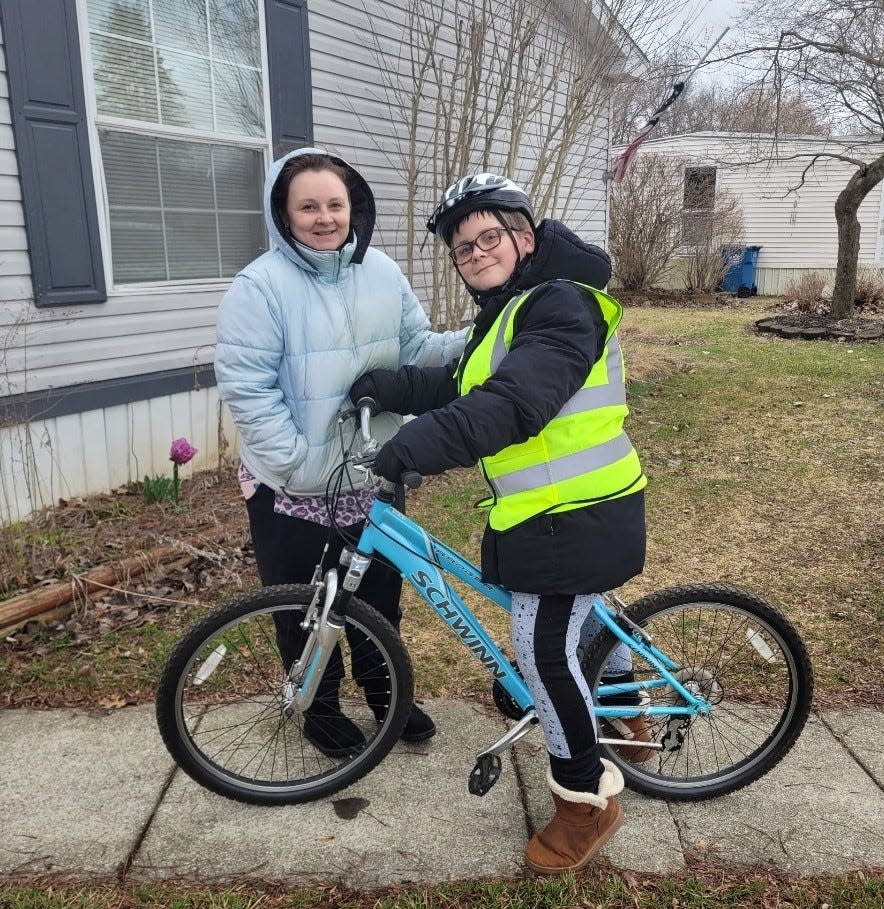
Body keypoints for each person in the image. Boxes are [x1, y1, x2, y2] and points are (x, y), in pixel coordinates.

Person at [349, 173, 648, 874]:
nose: (476, 252)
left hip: (581, 517)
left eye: (489, 237)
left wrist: (408, 449)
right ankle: (628, 716)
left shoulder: (563, 306)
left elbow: (513, 403)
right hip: (549, 516)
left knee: (542, 648)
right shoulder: (510, 311)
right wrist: (384, 387)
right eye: (463, 247)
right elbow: (458, 385)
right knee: (579, 619)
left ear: (525, 236)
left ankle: (586, 803)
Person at [215, 148, 467, 758]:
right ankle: (320, 708)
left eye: (335, 204)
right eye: (308, 206)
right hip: (292, 487)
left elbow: (418, 347)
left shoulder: (381, 270)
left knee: (379, 596)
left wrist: (484, 337)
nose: (324, 217)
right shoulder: (259, 287)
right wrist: (300, 465)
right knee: (306, 602)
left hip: (373, 471)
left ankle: (387, 696)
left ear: (353, 206)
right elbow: (248, 392)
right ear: (284, 212)